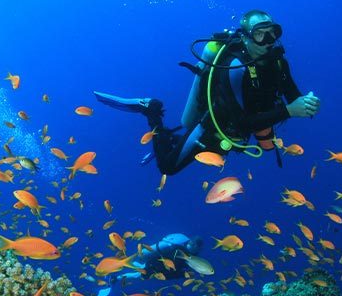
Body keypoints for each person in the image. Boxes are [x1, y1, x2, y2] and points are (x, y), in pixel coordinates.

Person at [95, 10, 320, 175]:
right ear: (245, 37)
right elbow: (242, 121)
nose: (269, 41)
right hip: (212, 128)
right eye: (261, 35)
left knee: (179, 143)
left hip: (236, 134)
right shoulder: (235, 68)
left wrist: (307, 103)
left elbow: (293, 97)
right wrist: (290, 110)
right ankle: (151, 109)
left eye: (273, 33)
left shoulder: (278, 64)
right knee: (167, 168)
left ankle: (168, 139)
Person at [97, 233, 202, 296]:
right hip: (156, 262)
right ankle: (114, 276)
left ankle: (112, 268)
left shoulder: (182, 242)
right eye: (195, 246)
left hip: (156, 260)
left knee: (136, 266)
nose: (194, 248)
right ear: (195, 246)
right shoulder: (182, 250)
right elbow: (174, 268)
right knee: (139, 273)